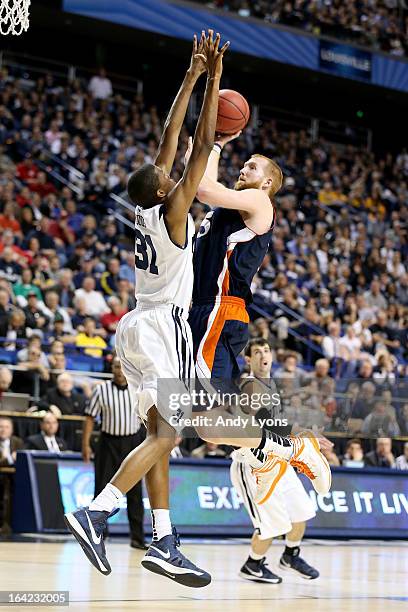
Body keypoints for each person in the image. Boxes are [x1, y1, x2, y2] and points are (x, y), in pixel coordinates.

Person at [64, 30, 228, 587]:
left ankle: (162, 539)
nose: (171, 171)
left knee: (161, 431)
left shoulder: (147, 209)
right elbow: (200, 145)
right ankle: (98, 510)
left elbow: (169, 139)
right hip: (164, 328)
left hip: (134, 327)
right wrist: (216, 79)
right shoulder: (175, 211)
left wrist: (189, 75)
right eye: (168, 176)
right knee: (167, 435)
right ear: (163, 190)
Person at [186, 129, 331, 504]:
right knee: (210, 427)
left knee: (207, 423)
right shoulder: (230, 207)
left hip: (218, 310)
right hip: (208, 313)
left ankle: (289, 449)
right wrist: (201, 151)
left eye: (252, 166)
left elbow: (202, 188)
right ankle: (278, 449)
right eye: (245, 163)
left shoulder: (258, 201)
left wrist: (216, 144)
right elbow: (201, 184)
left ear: (267, 182)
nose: (244, 168)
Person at [230, 339, 318, 583]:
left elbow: (277, 424)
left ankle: (291, 555)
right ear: (248, 359)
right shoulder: (249, 385)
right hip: (253, 464)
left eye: (266, 350)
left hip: (279, 462)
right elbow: (244, 423)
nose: (262, 355)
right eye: (256, 352)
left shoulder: (271, 386)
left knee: (302, 512)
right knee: (271, 525)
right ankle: (252, 564)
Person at [83, 356, 146, 549]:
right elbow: (90, 417)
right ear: (111, 368)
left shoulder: (138, 389)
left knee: (135, 492)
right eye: (115, 366)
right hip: (107, 443)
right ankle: (98, 534)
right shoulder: (101, 389)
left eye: (121, 367)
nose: (119, 370)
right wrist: (85, 444)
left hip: (133, 443)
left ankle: (137, 537)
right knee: (101, 489)